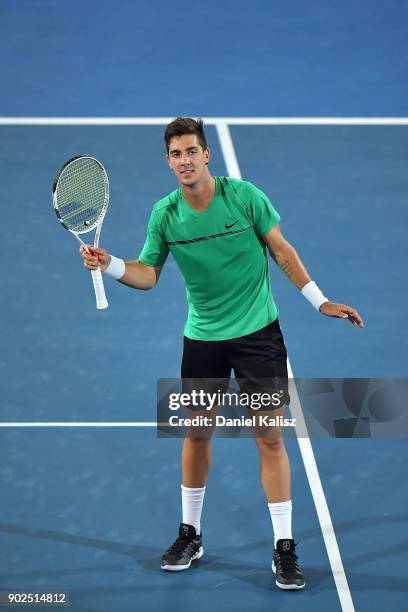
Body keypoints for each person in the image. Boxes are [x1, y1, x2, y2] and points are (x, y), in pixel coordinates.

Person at [81, 117, 364, 590]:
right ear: (168, 161)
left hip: (258, 337)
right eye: (176, 154)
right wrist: (108, 264)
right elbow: (147, 275)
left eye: (192, 151)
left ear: (206, 154)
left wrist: (321, 300)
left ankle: (284, 545)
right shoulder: (166, 215)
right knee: (196, 435)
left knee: (269, 438)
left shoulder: (245, 197)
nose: (185, 161)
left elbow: (283, 252)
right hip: (204, 339)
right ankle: (190, 533)